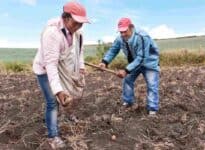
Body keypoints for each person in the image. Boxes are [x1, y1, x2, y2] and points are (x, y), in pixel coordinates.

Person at [32, 1, 89, 149]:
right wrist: (58, 90)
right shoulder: (52, 33)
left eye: (82, 23)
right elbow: (50, 65)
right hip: (45, 71)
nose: (80, 26)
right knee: (53, 102)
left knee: (71, 93)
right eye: (77, 22)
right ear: (67, 18)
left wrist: (81, 66)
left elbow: (79, 51)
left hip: (63, 68)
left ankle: (69, 115)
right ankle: (53, 136)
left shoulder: (77, 33)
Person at [99, 17, 160, 115]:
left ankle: (152, 108)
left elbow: (142, 58)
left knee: (152, 85)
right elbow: (113, 50)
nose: (123, 34)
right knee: (127, 80)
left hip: (149, 62)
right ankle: (128, 102)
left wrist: (126, 70)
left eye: (125, 31)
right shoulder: (120, 39)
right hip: (134, 63)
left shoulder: (142, 36)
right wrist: (105, 62)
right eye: (120, 32)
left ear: (131, 27)